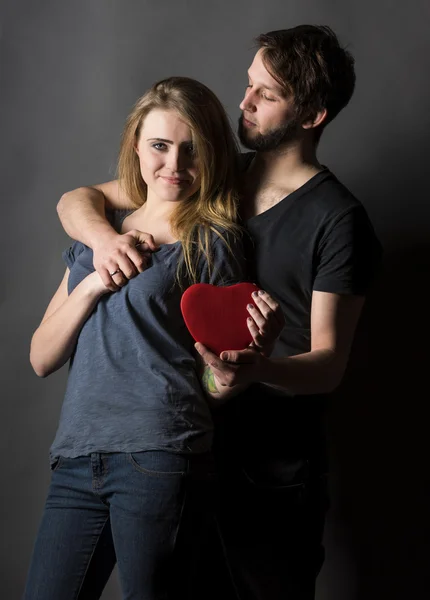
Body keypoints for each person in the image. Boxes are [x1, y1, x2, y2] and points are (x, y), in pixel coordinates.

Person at [56, 26, 383, 600]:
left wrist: (257, 369)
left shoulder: (338, 220)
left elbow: (328, 363)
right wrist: (104, 244)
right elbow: (80, 198)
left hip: (276, 471)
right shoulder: (214, 174)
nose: (245, 101)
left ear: (312, 115)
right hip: (188, 450)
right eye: (248, 84)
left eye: (267, 94)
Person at [24, 76, 282, 600]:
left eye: (191, 150)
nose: (174, 165)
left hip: (160, 455)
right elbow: (40, 356)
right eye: (159, 146)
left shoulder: (214, 243)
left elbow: (214, 373)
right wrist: (99, 274)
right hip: (77, 457)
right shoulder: (99, 233)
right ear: (136, 148)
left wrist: (236, 368)